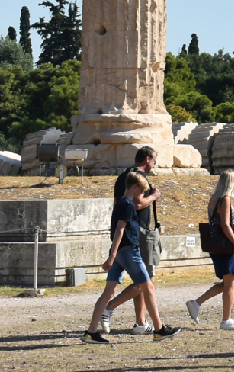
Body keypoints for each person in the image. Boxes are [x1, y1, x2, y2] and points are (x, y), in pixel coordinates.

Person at [83, 172, 179, 343]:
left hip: (119, 252)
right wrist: (112, 255)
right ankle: (159, 329)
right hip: (128, 251)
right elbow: (120, 230)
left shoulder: (120, 203)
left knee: (108, 292)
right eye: (141, 192)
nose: (141, 196)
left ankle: (91, 332)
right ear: (134, 187)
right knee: (148, 286)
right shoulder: (127, 205)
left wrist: (113, 254)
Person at [100, 147, 164, 335]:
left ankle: (141, 322)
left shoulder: (123, 177)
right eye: (154, 162)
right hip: (139, 231)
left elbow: (117, 205)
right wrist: (154, 196)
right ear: (147, 159)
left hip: (128, 232)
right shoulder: (139, 178)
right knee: (146, 280)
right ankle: (109, 308)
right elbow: (137, 204)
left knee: (140, 280)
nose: (154, 165)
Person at [187, 170, 234, 330]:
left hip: (216, 245)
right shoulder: (225, 199)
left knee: (228, 282)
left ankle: (196, 303)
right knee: (230, 283)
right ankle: (226, 320)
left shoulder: (213, 198)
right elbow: (225, 225)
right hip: (225, 245)